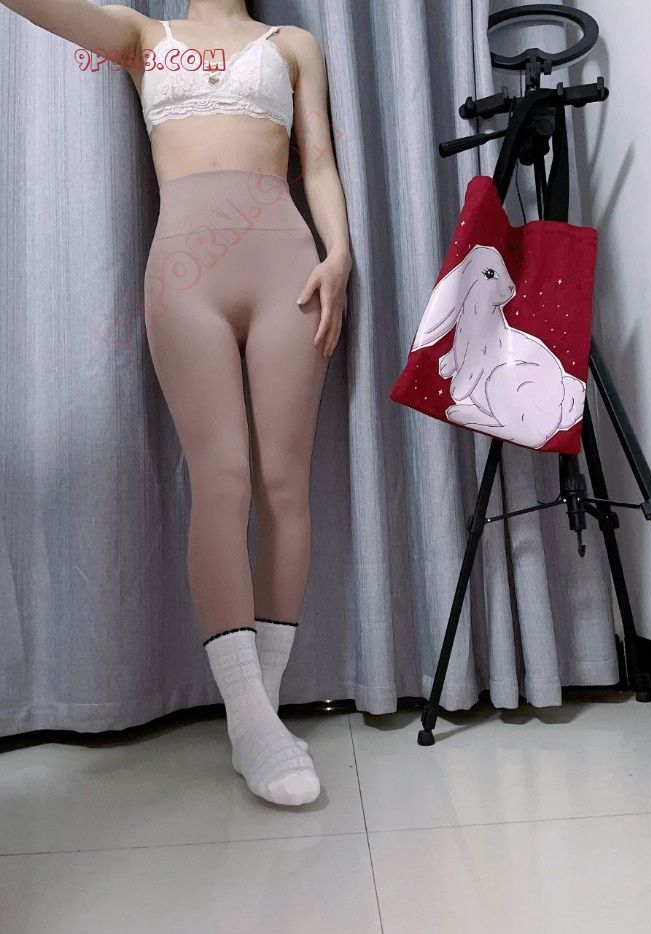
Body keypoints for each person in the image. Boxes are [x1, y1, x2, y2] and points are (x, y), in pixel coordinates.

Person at [4, 0, 352, 807]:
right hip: (185, 277)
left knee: (285, 485)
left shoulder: (293, 45)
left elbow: (319, 164)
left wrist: (340, 256)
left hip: (290, 270)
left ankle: (258, 717)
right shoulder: (141, 36)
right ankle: (251, 721)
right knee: (221, 481)